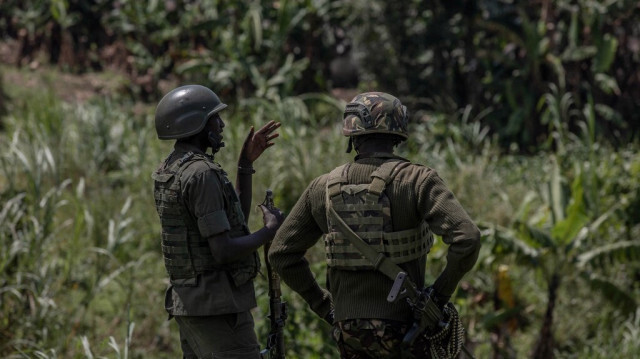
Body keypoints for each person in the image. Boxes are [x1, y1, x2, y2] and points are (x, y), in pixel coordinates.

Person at [268, 92, 481, 358]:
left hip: (349, 330)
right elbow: (468, 237)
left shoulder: (322, 188)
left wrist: (325, 307)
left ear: (353, 136)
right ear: (397, 133)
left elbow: (281, 253)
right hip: (408, 328)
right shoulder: (417, 180)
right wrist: (438, 297)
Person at [152, 84, 283, 358]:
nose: (221, 124)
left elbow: (231, 225)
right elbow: (223, 249)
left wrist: (244, 166)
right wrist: (269, 231)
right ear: (197, 124)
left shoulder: (172, 168)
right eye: (215, 118)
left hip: (192, 306)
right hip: (217, 310)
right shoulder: (200, 173)